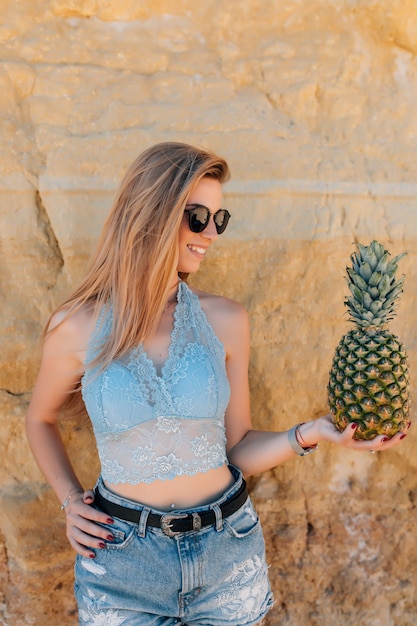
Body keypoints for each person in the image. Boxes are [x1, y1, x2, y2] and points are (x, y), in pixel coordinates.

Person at [25, 142, 408, 626]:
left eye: (219, 220)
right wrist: (68, 500)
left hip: (228, 553)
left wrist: (313, 433)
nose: (211, 233)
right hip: (122, 563)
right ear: (153, 212)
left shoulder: (225, 319)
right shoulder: (76, 326)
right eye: (197, 216)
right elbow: (40, 418)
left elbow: (239, 447)